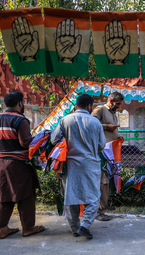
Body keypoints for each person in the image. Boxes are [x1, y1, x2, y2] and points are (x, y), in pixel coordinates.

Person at [51, 94, 106, 239]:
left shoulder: (65, 120)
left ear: (76, 105)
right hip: (90, 164)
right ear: (89, 106)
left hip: (70, 164)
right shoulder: (95, 122)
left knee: (71, 196)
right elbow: (101, 145)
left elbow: (54, 139)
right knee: (93, 197)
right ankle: (85, 225)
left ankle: (75, 228)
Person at [0, 91, 45, 239]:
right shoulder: (20, 120)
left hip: (1, 163)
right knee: (26, 195)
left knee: (4, 195)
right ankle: (28, 227)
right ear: (20, 103)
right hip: (18, 164)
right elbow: (25, 142)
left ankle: (2, 228)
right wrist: (40, 138)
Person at [92, 92, 124, 221]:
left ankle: (105, 204)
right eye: (117, 103)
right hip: (102, 152)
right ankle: (99, 210)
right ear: (111, 101)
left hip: (111, 152)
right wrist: (107, 127)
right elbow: (90, 124)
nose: (119, 106)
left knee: (109, 179)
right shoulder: (100, 110)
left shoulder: (112, 112)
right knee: (103, 180)